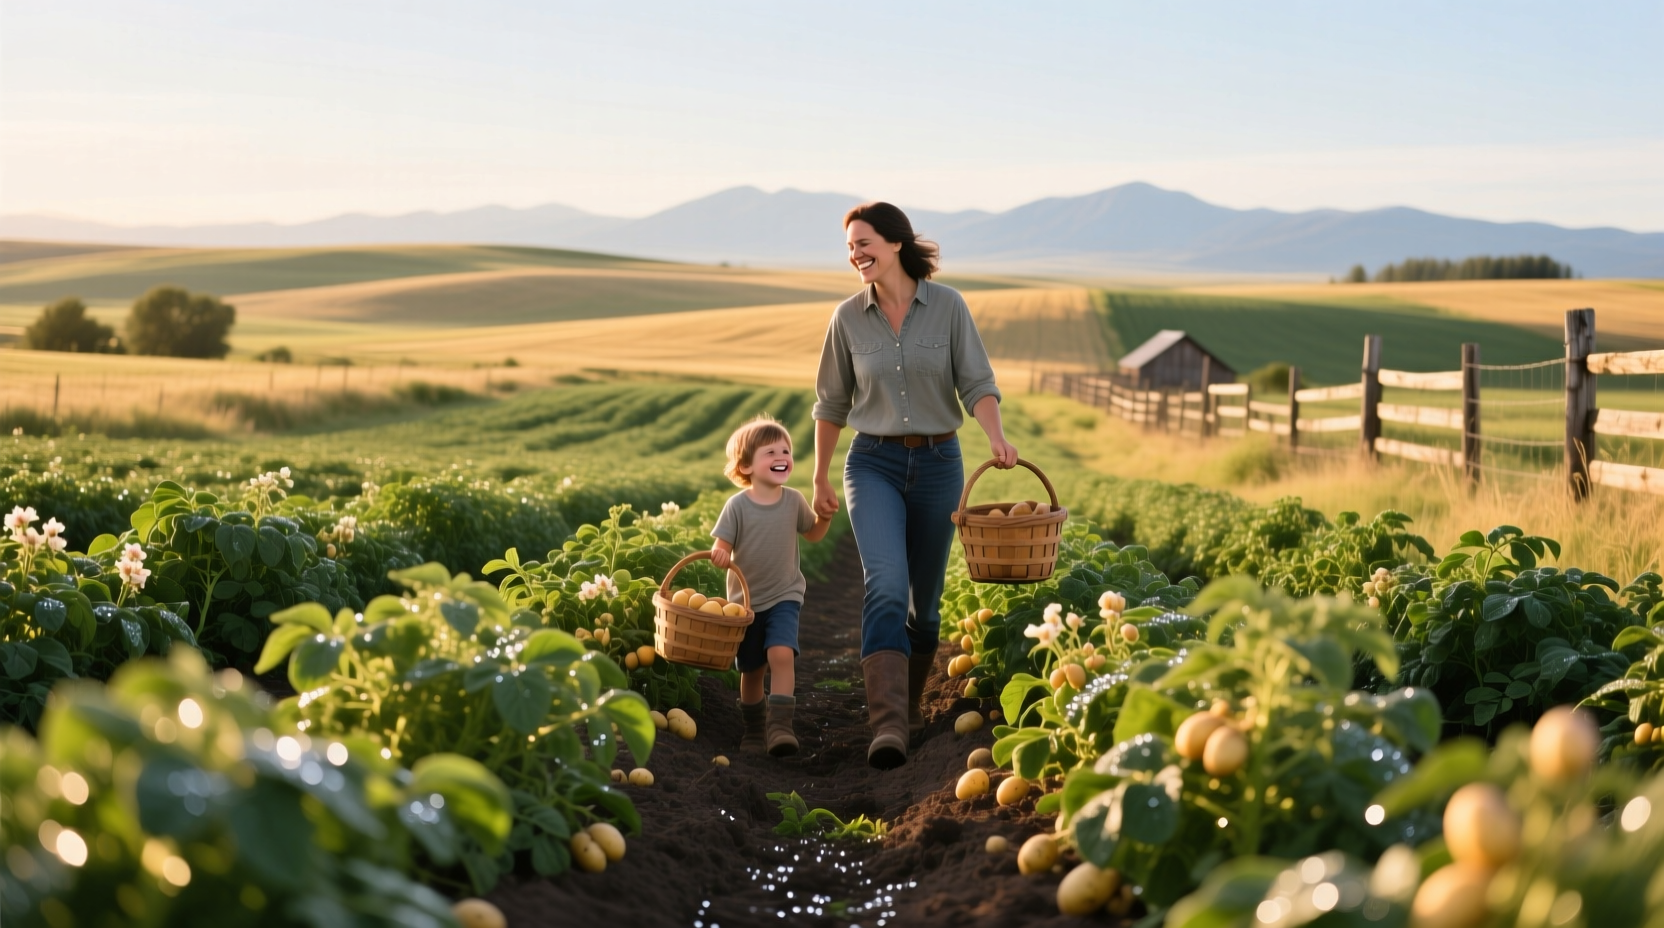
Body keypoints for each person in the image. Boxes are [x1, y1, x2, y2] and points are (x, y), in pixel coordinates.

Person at [810, 202, 1017, 770]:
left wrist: (997, 436)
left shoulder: (947, 307)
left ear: (896, 243)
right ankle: (889, 725)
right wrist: (820, 475)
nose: (855, 254)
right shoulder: (847, 318)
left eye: (864, 242)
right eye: (849, 247)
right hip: (871, 463)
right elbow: (830, 404)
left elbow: (977, 381)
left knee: (924, 610)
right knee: (885, 583)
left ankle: (912, 702)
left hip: (939, 464)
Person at [711, 415, 833, 756]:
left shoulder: (793, 500)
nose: (782, 457)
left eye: (786, 450)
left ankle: (780, 727)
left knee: (781, 654)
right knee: (751, 671)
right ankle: (753, 730)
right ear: (746, 466)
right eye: (771, 452)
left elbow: (812, 534)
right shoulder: (737, 506)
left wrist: (824, 517)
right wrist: (720, 554)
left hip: (785, 595)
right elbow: (722, 545)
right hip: (746, 604)